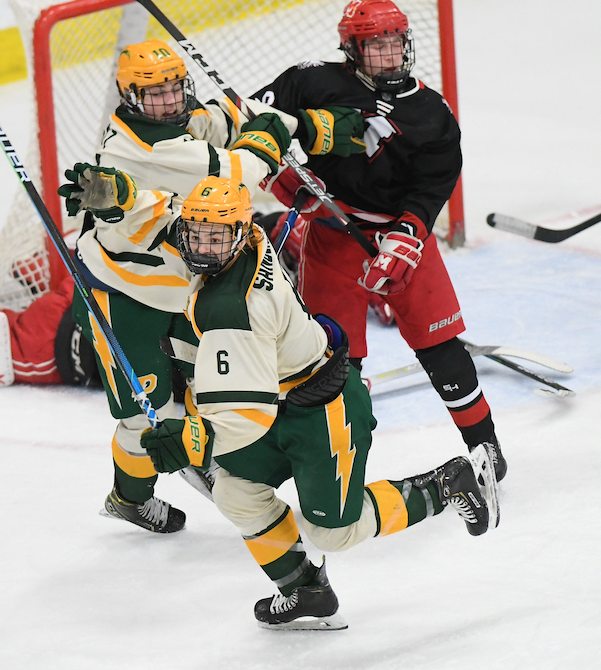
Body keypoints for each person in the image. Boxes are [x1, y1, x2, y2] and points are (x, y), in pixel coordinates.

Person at [70, 170, 498, 629]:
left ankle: (445, 484)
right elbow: (167, 210)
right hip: (282, 393)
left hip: (320, 411)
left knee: (334, 533)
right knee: (236, 491)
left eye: (215, 238)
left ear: (237, 232)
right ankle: (304, 589)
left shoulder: (235, 309)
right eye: (197, 234)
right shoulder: (240, 236)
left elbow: (248, 417)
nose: (201, 248)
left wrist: (192, 438)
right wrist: (121, 196)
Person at [55, 39, 368, 534]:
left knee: (217, 374)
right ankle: (129, 498)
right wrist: (287, 130)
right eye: (152, 93)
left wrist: (305, 127)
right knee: (145, 415)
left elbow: (242, 119)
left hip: (187, 280)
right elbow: (244, 171)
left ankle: (209, 448)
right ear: (129, 96)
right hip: (124, 295)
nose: (168, 99)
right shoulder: (139, 147)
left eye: (174, 87)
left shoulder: (188, 116)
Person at [252, 0, 508, 480]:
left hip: (401, 237)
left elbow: (434, 184)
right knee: (334, 362)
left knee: (441, 347)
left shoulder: (431, 113)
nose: (389, 54)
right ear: (352, 48)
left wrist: (407, 234)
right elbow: (254, 122)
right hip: (332, 238)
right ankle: (340, 466)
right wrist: (282, 175)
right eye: (376, 45)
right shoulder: (310, 80)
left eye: (395, 43)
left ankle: (486, 446)